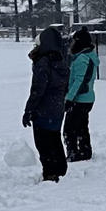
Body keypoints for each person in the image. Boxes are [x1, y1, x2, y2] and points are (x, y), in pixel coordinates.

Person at [24, 26, 69, 181]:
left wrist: (28, 110)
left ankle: (50, 173)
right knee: (54, 139)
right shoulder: (61, 59)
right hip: (57, 108)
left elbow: (38, 89)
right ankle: (60, 168)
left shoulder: (43, 62)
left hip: (44, 109)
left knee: (43, 143)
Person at [64, 27, 98, 162]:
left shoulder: (82, 58)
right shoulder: (88, 56)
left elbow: (79, 81)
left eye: (73, 41)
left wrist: (69, 98)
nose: (71, 44)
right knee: (81, 127)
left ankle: (74, 154)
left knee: (69, 129)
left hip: (80, 99)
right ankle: (84, 151)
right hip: (87, 98)